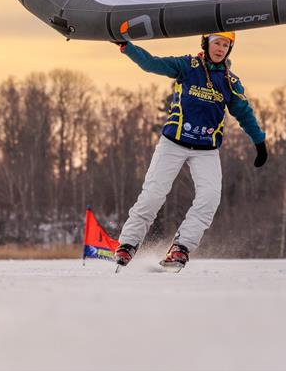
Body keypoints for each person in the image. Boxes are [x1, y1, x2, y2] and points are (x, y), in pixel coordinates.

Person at [113, 32, 267, 270]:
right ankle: (128, 244)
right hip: (173, 143)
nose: (221, 48)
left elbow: (244, 113)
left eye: (226, 45)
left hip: (206, 150)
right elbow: (152, 64)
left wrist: (259, 142)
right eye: (217, 43)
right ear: (206, 43)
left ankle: (181, 248)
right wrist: (126, 46)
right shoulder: (187, 66)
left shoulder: (230, 82)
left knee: (210, 197)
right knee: (154, 193)